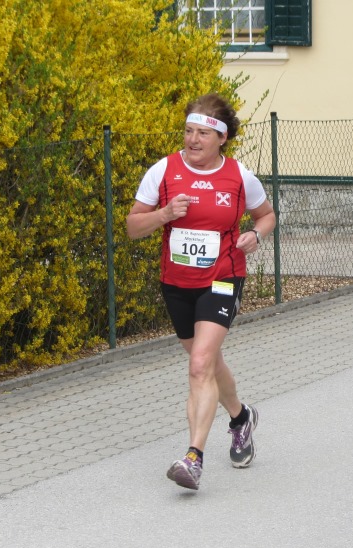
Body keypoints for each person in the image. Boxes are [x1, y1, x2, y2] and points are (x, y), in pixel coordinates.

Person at [126, 93, 276, 491]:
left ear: (222, 138)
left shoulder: (239, 177)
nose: (193, 140)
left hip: (223, 277)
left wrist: (255, 235)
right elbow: (132, 227)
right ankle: (241, 418)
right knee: (206, 362)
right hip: (177, 283)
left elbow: (266, 215)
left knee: (199, 364)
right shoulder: (163, 170)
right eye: (189, 131)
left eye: (203, 134)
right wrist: (164, 214)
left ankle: (193, 458)